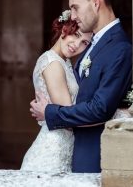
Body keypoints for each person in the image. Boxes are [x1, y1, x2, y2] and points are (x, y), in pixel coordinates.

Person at [30, 0, 133, 173]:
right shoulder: (95, 43)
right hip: (77, 152)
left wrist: (49, 112)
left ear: (95, 2)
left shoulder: (119, 48)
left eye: (75, 7)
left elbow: (101, 108)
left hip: (94, 155)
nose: (73, 16)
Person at [20, 10, 93, 172]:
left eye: (85, 43)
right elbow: (67, 116)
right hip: (52, 151)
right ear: (64, 29)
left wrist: (47, 112)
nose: (77, 45)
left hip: (63, 147)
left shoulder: (63, 62)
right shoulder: (52, 63)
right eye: (76, 35)